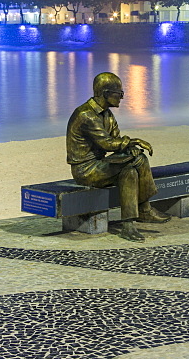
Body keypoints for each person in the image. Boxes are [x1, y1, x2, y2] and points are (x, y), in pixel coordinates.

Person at [66, 71, 170, 241]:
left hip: (100, 165)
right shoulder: (86, 115)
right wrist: (133, 142)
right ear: (106, 93)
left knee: (129, 171)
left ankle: (128, 226)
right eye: (120, 93)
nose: (122, 97)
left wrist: (130, 149)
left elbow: (116, 140)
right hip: (85, 170)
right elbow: (107, 143)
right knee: (140, 160)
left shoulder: (107, 114)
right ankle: (144, 209)